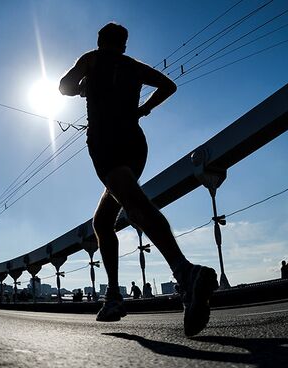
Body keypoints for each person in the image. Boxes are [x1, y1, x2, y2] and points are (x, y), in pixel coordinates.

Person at [59, 22, 218, 336]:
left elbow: (63, 87)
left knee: (133, 205)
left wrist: (82, 86)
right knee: (103, 222)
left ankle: (186, 274)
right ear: (124, 45)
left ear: (100, 41)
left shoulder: (90, 59)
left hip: (106, 143)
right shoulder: (134, 66)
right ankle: (115, 297)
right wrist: (142, 109)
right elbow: (169, 86)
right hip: (135, 144)